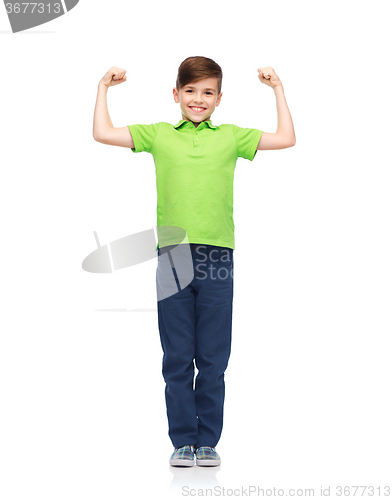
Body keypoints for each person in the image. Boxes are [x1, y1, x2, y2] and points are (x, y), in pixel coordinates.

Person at [93, 56, 296, 467]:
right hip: (172, 255)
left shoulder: (231, 137)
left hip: (218, 255)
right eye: (190, 91)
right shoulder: (159, 134)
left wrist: (277, 88)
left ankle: (208, 441)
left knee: (214, 356)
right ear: (176, 94)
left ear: (219, 99)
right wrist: (103, 88)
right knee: (177, 355)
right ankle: (183, 441)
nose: (198, 99)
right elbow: (101, 133)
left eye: (207, 93)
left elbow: (287, 138)